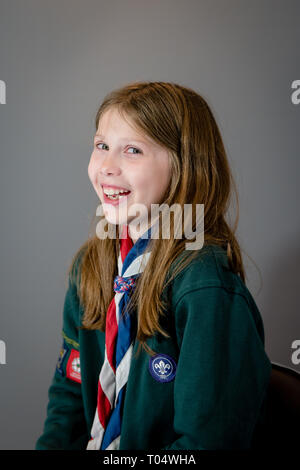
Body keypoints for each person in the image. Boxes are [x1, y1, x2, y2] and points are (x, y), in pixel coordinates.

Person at [35, 81, 272, 450]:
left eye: (132, 150)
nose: (107, 167)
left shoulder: (203, 285)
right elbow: (69, 397)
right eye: (102, 146)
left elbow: (207, 442)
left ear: (183, 166)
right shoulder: (91, 265)